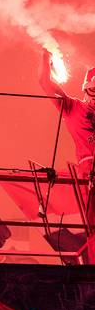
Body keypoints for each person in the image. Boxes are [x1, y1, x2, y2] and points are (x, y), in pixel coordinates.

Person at [39, 51, 95, 227]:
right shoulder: (73, 107)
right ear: (88, 89)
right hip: (89, 173)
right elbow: (45, 83)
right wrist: (45, 57)